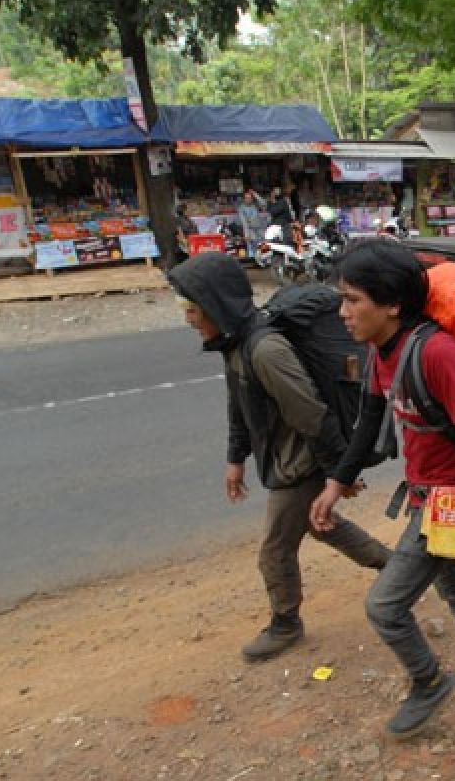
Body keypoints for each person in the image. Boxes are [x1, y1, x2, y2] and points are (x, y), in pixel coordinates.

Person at [309, 239, 455, 741]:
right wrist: (337, 483)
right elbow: (369, 423)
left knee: (384, 606)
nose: (342, 313)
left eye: (352, 300)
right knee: (452, 577)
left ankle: (428, 682)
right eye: (341, 299)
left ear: (391, 304)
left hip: (450, 500)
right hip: (427, 493)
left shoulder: (439, 354)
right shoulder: (384, 352)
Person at [167, 252, 391, 662]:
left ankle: (286, 623)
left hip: (301, 463)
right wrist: (235, 458)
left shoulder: (266, 349)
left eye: (191, 308)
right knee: (323, 525)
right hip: (286, 459)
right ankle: (396, 568)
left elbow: (310, 412)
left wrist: (340, 471)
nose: (188, 318)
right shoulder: (233, 343)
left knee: (275, 548)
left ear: (214, 305)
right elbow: (238, 402)